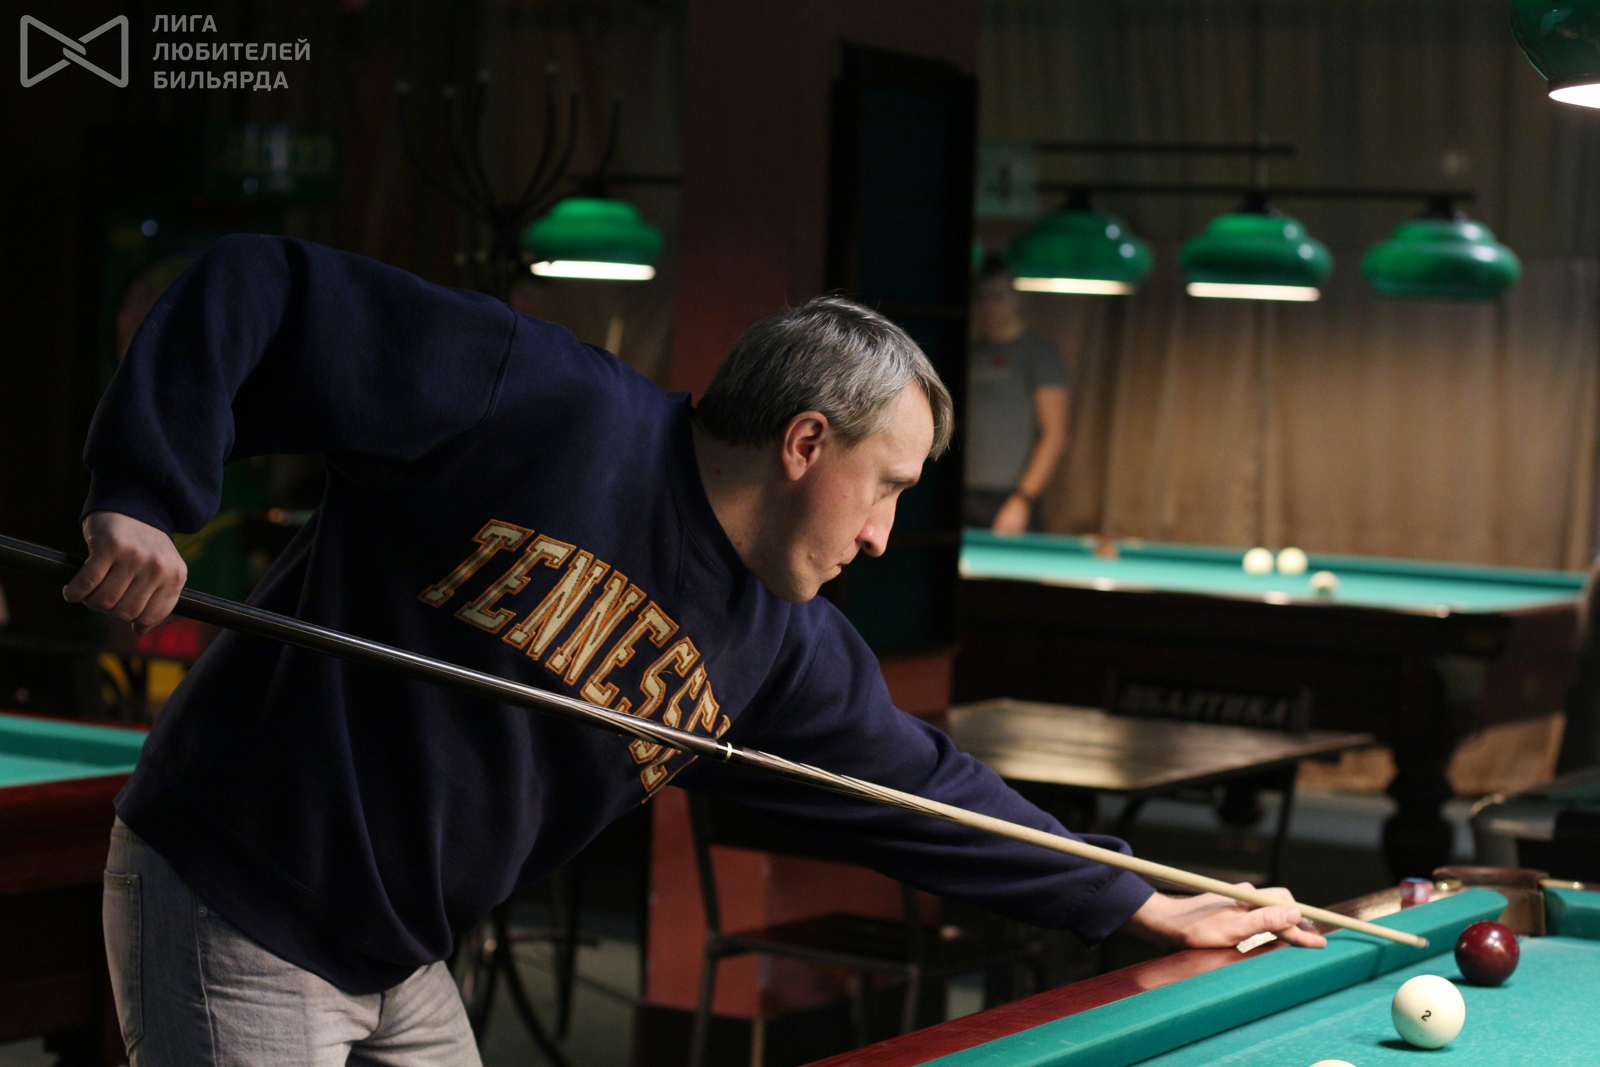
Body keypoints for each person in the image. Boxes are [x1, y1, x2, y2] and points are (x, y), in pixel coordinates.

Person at [66, 235, 1323, 1066]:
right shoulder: (536, 400)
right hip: (239, 891)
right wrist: (144, 489)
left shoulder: (783, 644)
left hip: (397, 946)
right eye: (884, 487)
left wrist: (1138, 895)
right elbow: (262, 286)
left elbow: (923, 793)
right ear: (804, 443)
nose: (882, 535)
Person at [964, 256, 1072, 534]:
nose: (988, 306)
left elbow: (1055, 435)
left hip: (1009, 497)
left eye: (997, 297)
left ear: (1017, 297)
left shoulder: (1040, 353)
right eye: (982, 297)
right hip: (963, 491)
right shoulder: (971, 353)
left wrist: (1022, 500)